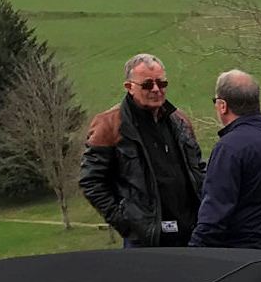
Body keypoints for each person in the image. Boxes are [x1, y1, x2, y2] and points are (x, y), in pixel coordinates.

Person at [80, 53, 205, 247]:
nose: (156, 89)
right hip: (146, 238)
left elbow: (198, 169)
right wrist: (126, 224)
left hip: (190, 232)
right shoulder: (109, 125)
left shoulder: (180, 121)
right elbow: (91, 181)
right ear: (129, 87)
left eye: (162, 83)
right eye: (147, 85)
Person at [190, 70, 261, 250]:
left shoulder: (228, 148)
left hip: (239, 253)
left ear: (222, 106)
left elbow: (215, 212)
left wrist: (194, 251)